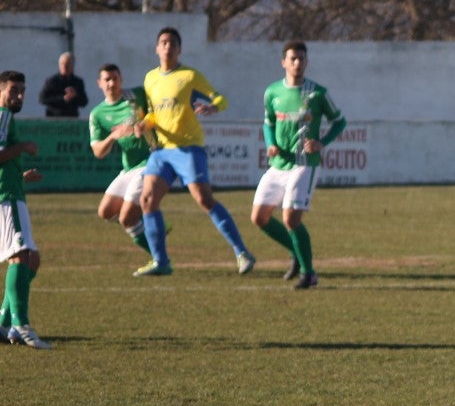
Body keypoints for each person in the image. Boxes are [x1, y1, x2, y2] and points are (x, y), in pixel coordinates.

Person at [134, 27, 255, 277]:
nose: (168, 46)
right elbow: (154, 113)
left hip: (188, 148)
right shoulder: (150, 79)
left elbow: (221, 99)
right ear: (157, 48)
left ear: (179, 49)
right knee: (147, 200)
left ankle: (242, 252)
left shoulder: (190, 76)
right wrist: (144, 124)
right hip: (162, 151)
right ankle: (161, 261)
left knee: (204, 199)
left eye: (173, 43)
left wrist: (213, 107)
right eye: (164, 42)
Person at [250, 41, 347, 290]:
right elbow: (268, 123)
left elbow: (339, 121)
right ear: (283, 62)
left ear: (306, 62)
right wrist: (270, 144)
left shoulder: (318, 93)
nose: (297, 63)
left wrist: (322, 142)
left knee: (290, 219)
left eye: (301, 59)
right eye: (292, 58)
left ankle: (308, 273)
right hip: (278, 164)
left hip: (305, 163)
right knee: (259, 217)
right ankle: (296, 250)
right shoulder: (272, 92)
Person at [0, 70, 51, 348]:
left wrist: (20, 177)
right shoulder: (3, 116)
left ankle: (4, 321)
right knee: (21, 256)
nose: (19, 95)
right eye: (13, 90)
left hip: (12, 192)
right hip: (7, 198)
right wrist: (23, 147)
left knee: (31, 259)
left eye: (22, 91)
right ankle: (21, 325)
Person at [88, 64, 157, 257]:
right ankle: (148, 223)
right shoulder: (97, 114)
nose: (111, 83)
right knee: (106, 212)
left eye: (115, 78)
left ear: (121, 79)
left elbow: (158, 111)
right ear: (99, 83)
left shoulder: (137, 96)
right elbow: (98, 152)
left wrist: (145, 124)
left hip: (150, 160)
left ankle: (159, 258)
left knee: (127, 217)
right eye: (107, 80)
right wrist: (113, 136)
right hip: (129, 167)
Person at [38, 51, 89, 118]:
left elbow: (84, 102)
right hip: (54, 118)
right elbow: (42, 99)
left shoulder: (78, 82)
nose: (64, 66)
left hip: (72, 119)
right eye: (62, 64)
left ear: (73, 65)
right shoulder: (52, 81)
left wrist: (75, 96)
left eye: (67, 64)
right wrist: (62, 99)